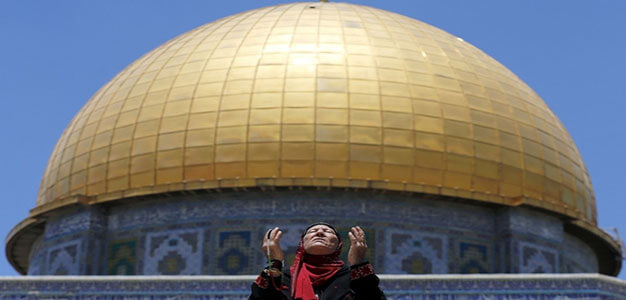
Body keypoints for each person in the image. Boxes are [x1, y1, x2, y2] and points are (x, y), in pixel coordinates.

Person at [249, 222, 386, 300]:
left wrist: (358, 264)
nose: (319, 232)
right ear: (302, 243)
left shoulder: (351, 278)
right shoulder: (285, 278)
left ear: (338, 245)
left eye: (327, 231)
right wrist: (274, 262)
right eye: (313, 231)